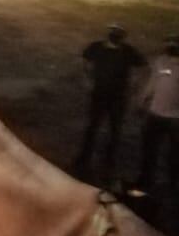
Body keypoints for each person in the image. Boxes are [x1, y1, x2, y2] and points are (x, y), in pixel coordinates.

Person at [75, 24, 146, 176]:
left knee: (115, 129)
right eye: (113, 31)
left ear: (123, 36)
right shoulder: (96, 47)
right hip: (99, 94)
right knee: (93, 126)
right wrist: (86, 78)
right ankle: (84, 158)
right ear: (109, 33)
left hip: (118, 97)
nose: (115, 34)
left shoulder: (128, 51)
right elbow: (83, 59)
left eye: (119, 32)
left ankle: (109, 161)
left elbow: (142, 65)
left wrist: (135, 82)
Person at [134, 34, 179, 195]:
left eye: (174, 43)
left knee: (174, 154)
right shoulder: (161, 61)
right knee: (149, 150)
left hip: (175, 119)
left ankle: (173, 185)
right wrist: (142, 100)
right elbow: (153, 82)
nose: (170, 46)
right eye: (168, 42)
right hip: (155, 114)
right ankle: (145, 180)